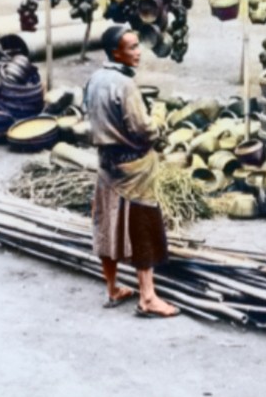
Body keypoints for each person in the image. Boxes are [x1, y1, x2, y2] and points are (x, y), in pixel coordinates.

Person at [84, 24, 179, 319]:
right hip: (134, 169)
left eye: (138, 46)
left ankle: (112, 288)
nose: (138, 52)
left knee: (107, 224)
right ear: (116, 52)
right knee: (142, 227)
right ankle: (147, 297)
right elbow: (143, 129)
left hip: (106, 163)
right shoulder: (125, 85)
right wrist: (159, 121)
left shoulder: (95, 79)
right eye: (132, 48)